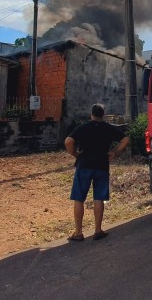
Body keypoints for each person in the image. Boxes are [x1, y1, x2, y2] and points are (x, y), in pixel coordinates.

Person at [64, 103, 130, 242]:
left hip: (84, 165)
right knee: (99, 198)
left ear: (91, 115)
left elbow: (68, 141)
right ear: (103, 115)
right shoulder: (108, 128)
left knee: (79, 199)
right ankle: (98, 230)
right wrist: (115, 152)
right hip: (102, 166)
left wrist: (75, 154)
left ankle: (78, 232)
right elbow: (125, 139)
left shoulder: (83, 127)